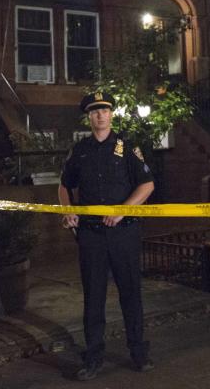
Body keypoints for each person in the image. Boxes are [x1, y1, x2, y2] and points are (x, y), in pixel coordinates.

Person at [58, 92, 155, 381]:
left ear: (112, 114)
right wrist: (68, 211)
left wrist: (123, 211)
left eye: (105, 110)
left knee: (130, 294)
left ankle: (138, 352)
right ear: (88, 117)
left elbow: (147, 185)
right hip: (91, 235)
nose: (100, 115)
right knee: (94, 296)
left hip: (123, 233)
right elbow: (64, 186)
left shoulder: (127, 148)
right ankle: (94, 357)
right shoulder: (80, 151)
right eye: (94, 111)